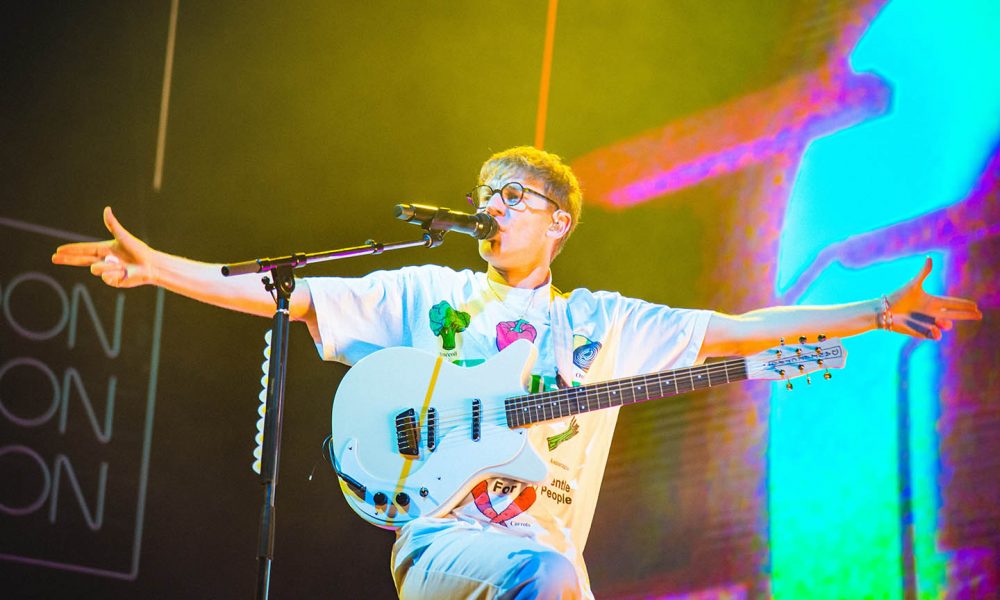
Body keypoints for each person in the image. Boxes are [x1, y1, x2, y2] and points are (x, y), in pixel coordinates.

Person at [52, 146, 981, 598]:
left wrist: (872, 313)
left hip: (545, 568)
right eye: (485, 193)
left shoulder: (603, 325)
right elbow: (283, 292)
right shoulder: (427, 289)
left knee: (549, 574)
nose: (493, 205)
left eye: (515, 195)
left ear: (560, 222)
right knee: (545, 575)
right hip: (441, 543)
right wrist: (160, 266)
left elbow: (739, 328)